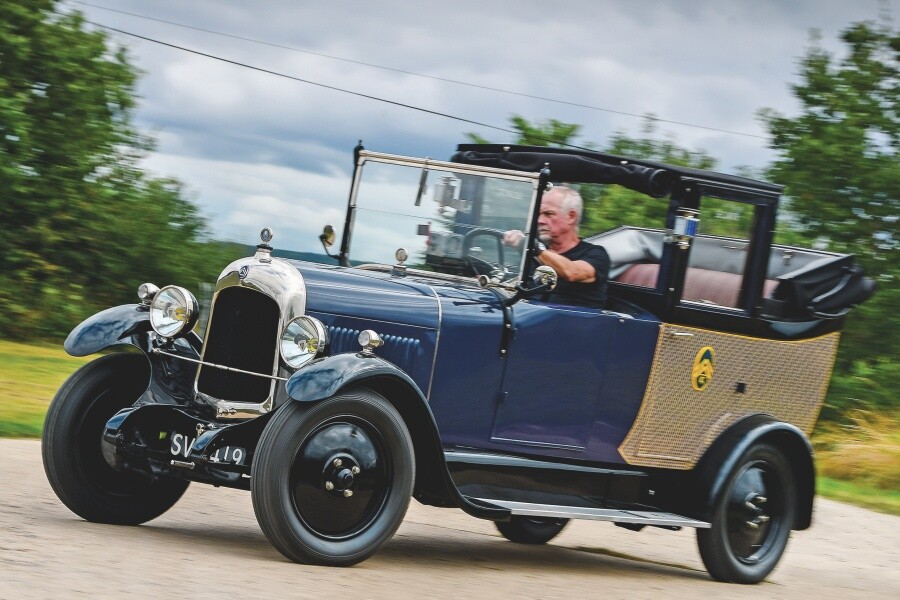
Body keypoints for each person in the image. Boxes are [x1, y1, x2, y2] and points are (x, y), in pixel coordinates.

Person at [503, 185, 609, 308]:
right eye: (539, 214)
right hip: (526, 317)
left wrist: (531, 246)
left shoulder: (596, 254)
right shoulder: (534, 252)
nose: (540, 220)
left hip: (570, 323)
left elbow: (571, 272)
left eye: (548, 214)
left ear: (571, 217)